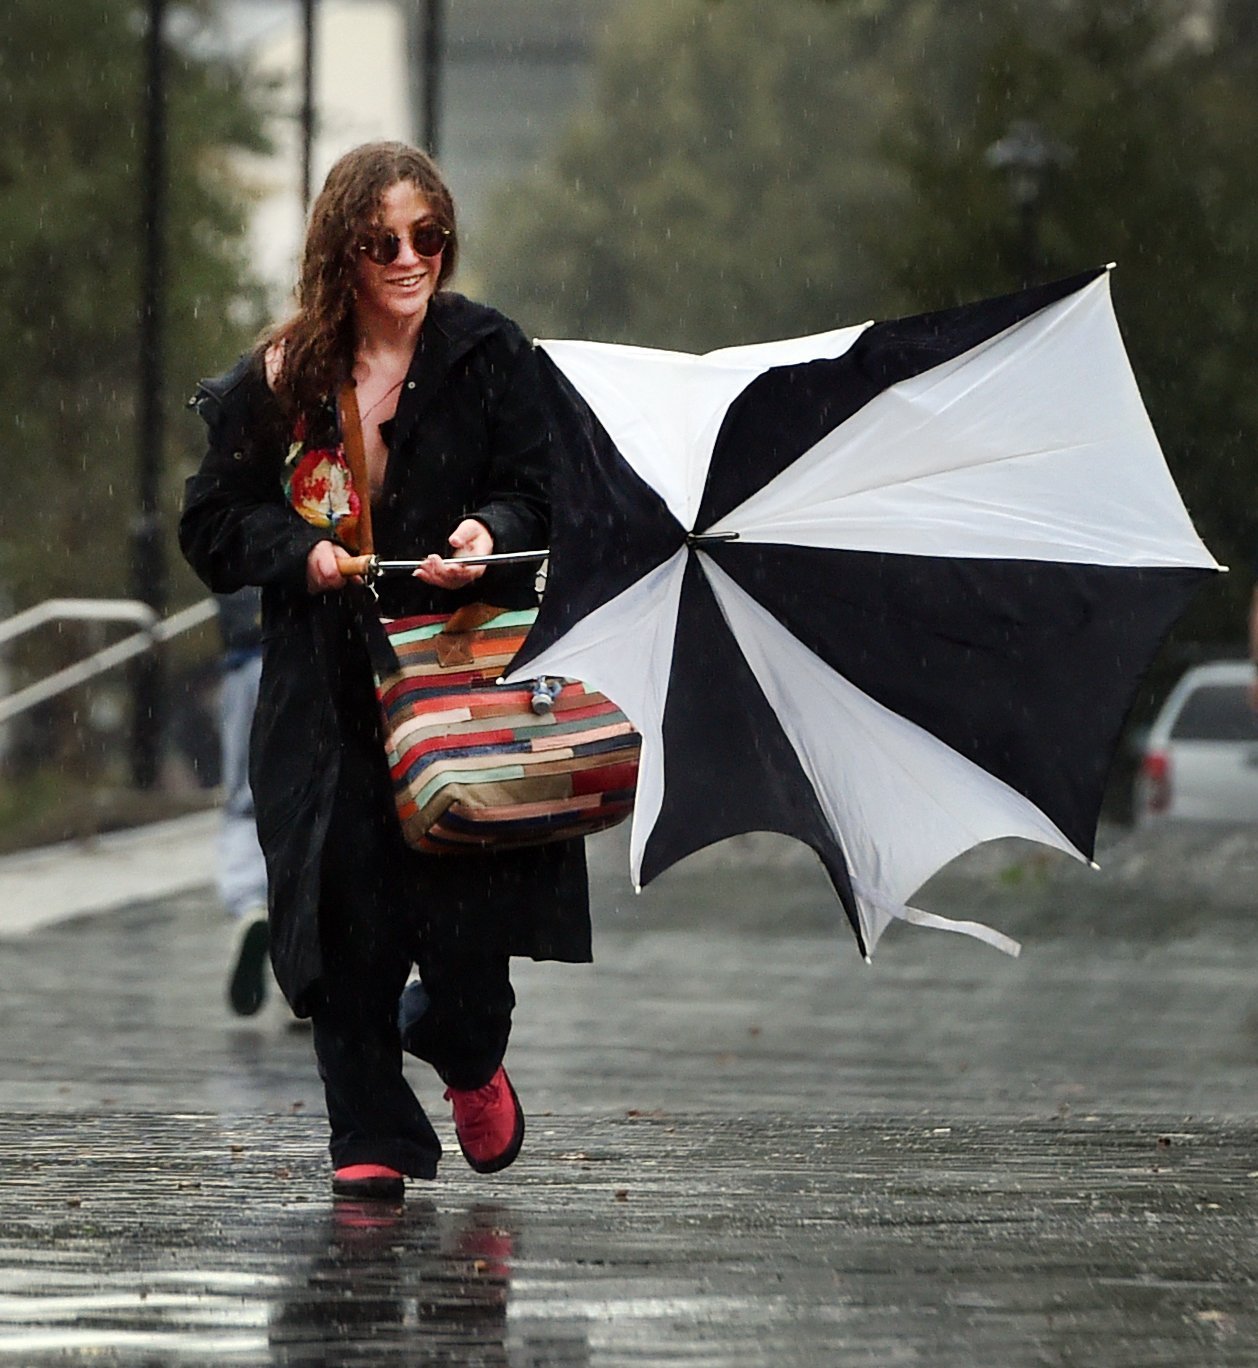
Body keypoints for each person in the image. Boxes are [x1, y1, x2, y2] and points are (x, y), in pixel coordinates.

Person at [179, 141, 591, 1202]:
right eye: (382, 241)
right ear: (340, 251)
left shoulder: (491, 354)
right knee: (341, 920)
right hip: (325, 697)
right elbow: (214, 522)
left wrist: (483, 533)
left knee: (466, 940)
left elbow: (543, 496)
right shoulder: (280, 379)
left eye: (428, 236)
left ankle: (460, 1049)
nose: (410, 259)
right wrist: (299, 554)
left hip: (456, 691)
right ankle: (370, 1134)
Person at [213, 586, 271, 1016]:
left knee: (246, 798)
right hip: (321, 654)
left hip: (248, 657)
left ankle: (251, 904)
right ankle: (311, 971)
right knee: (317, 797)